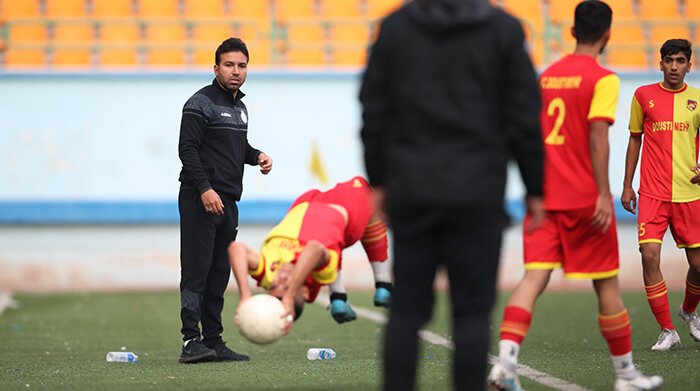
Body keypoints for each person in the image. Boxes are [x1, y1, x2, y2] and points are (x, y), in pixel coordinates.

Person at [359, 0, 545, 389]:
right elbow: (525, 115)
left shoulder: (395, 27)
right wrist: (535, 187)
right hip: (478, 192)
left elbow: (373, 109)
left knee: (407, 311)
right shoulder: (504, 29)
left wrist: (379, 180)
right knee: (472, 314)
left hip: (413, 190)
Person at [488, 2, 663, 391]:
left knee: (533, 277)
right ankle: (625, 375)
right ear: (608, 35)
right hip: (585, 200)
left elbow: (532, 135)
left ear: (571, 32)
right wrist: (604, 194)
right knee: (607, 285)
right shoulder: (604, 79)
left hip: (546, 196)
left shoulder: (547, 76)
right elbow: (598, 136)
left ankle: (505, 364)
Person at [177, 37, 273, 364]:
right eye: (229, 65)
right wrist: (204, 188)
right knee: (197, 270)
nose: (235, 71)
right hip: (199, 197)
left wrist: (257, 155)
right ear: (215, 67)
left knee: (219, 273)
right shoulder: (199, 102)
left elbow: (236, 149)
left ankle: (213, 341)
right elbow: (187, 149)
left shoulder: (240, 109)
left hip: (229, 202)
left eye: (242, 65)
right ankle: (191, 341)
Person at [621, 38, 700, 351]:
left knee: (698, 266)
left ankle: (688, 311)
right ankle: (667, 329)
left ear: (689, 65)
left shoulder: (697, 100)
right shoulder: (643, 96)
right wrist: (627, 184)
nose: (674, 67)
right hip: (653, 194)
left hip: (689, 193)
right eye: (669, 61)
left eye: (680, 61)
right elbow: (634, 140)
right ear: (661, 64)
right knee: (649, 256)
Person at [229, 176, 393, 324]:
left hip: (305, 204)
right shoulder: (318, 271)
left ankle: (338, 298)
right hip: (344, 213)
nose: (281, 279)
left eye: (273, 286)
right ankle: (382, 284)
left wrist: (245, 296)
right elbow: (314, 248)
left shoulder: (268, 272)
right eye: (286, 287)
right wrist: (290, 294)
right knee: (369, 198)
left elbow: (236, 248)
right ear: (305, 292)